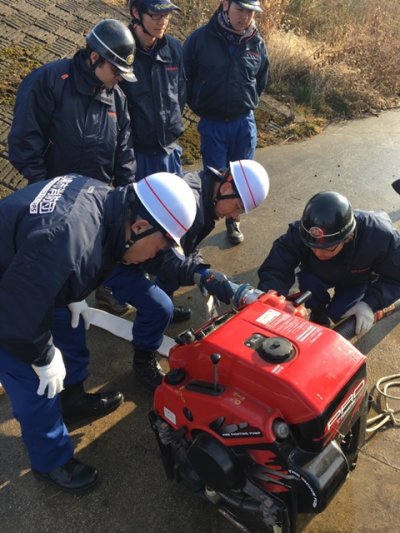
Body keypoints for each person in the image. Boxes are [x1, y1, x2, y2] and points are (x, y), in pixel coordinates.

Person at [0, 172, 196, 492]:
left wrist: (71, 287)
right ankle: (51, 460)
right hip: (8, 298)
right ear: (140, 227)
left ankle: (73, 399)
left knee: (71, 323)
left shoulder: (105, 202)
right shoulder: (67, 238)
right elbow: (17, 313)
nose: (153, 257)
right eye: (158, 247)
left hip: (30, 270)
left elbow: (53, 259)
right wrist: (42, 355)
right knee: (35, 381)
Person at [95, 0, 187, 318]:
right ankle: (110, 288)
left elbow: (181, 91)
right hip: (137, 155)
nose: (162, 21)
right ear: (136, 13)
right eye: (155, 14)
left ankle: (158, 297)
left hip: (169, 152)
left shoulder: (174, 48)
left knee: (166, 230)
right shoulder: (124, 49)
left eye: (166, 14)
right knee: (130, 228)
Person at [141, 159, 270, 327]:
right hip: (128, 261)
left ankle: (164, 303)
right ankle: (145, 343)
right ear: (226, 188)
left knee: (175, 273)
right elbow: (160, 257)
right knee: (157, 307)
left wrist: (201, 269)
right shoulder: (191, 207)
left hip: (152, 251)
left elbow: (186, 247)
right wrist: (200, 273)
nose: (234, 216)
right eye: (237, 207)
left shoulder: (205, 195)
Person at [8, 19, 137, 186]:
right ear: (95, 57)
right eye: (116, 70)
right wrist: (43, 186)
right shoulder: (48, 81)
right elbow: (25, 139)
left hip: (92, 201)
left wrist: (125, 196)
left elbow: (125, 154)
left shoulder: (118, 98)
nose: (120, 78)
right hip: (49, 195)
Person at [183, 0, 269, 245]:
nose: (245, 17)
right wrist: (199, 104)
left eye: (250, 12)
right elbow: (185, 77)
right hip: (213, 123)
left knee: (242, 179)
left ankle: (233, 221)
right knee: (215, 181)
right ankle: (200, 225)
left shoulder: (257, 43)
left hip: (243, 123)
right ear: (225, 5)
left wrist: (246, 102)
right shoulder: (200, 39)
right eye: (240, 9)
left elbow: (261, 80)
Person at [257, 191, 400, 336]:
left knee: (343, 315)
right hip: (317, 273)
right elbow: (278, 264)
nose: (318, 253)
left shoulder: (380, 235)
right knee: (308, 283)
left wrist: (370, 303)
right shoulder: (304, 232)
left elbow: (397, 278)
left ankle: (372, 310)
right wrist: (271, 299)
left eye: (327, 249)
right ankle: (318, 313)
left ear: (348, 237)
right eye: (312, 246)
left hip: (357, 279)